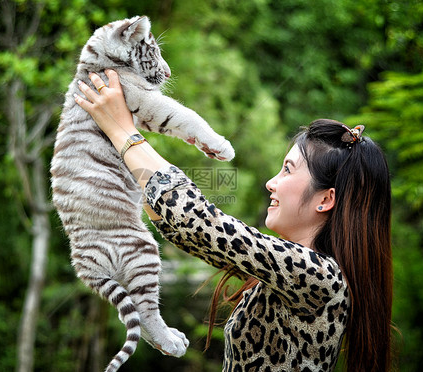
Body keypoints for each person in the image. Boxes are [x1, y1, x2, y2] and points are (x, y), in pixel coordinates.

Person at [73, 70, 394, 372]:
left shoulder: (320, 277)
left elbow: (195, 220)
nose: (272, 182)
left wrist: (121, 131)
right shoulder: (290, 272)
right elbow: (190, 232)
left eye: (288, 170)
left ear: (325, 199)